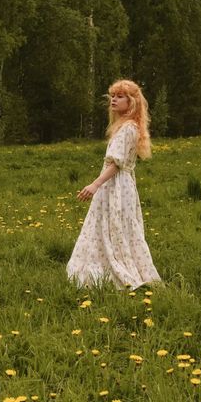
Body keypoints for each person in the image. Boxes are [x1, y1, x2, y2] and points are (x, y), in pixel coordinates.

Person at [66, 79, 162, 291]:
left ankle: (112, 272)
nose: (114, 100)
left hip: (115, 184)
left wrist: (95, 185)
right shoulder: (128, 126)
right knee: (116, 227)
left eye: (120, 96)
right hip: (122, 185)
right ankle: (113, 266)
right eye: (113, 96)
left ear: (132, 102)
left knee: (113, 226)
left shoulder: (128, 128)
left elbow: (116, 164)